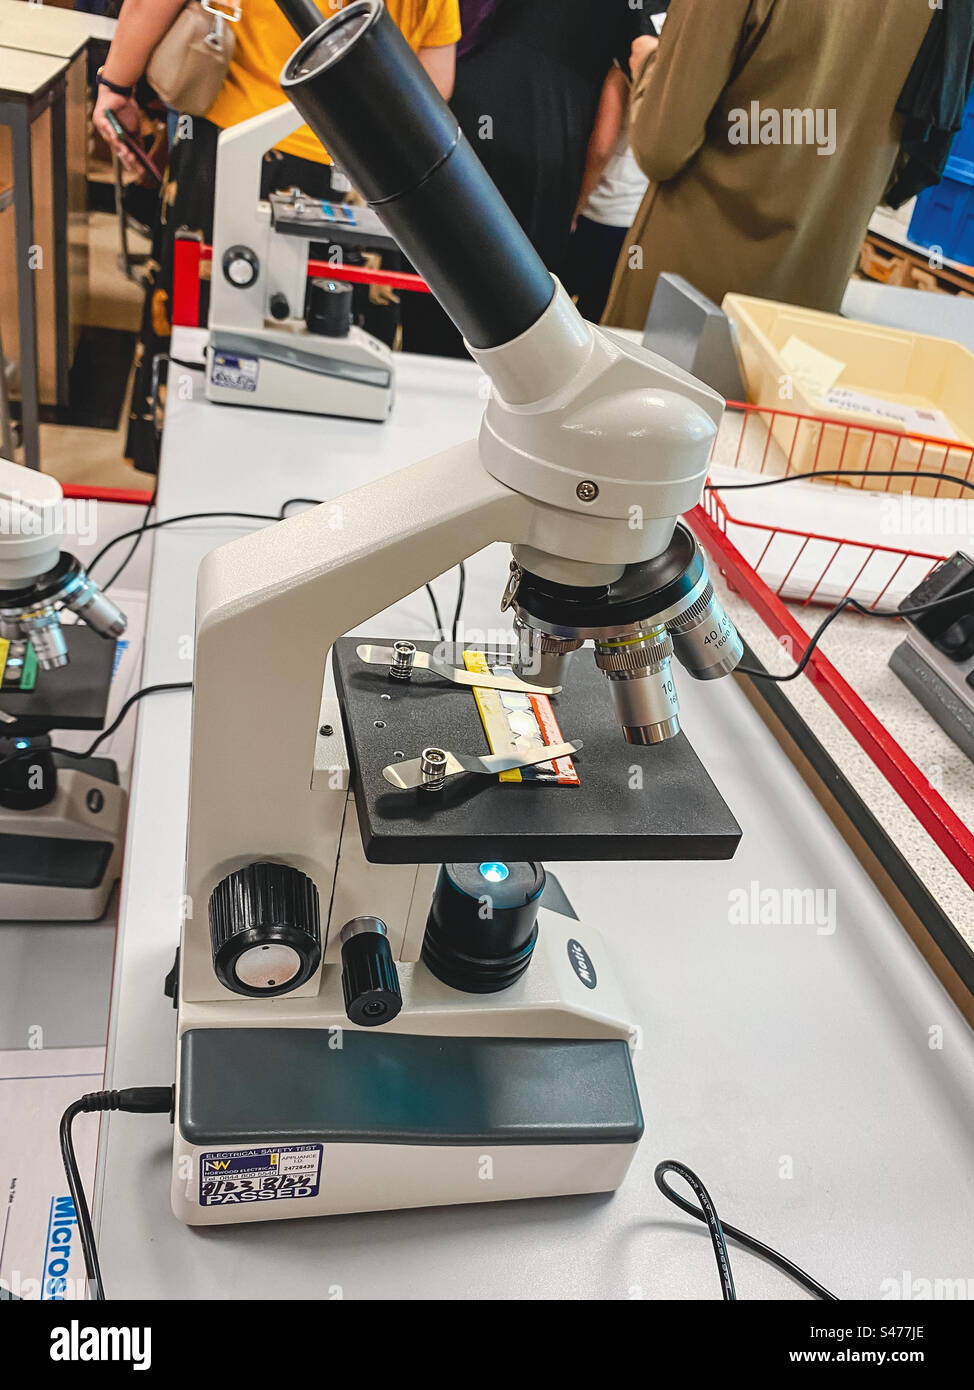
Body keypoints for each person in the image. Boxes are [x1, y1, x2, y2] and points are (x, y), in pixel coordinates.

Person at [92, 0, 460, 470]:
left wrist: (114, 84)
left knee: (205, 342)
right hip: (357, 175)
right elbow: (434, 83)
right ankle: (315, 505)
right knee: (337, 359)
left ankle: (192, 489)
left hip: (235, 152)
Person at [603, 0, 940, 331]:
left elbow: (661, 148)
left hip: (690, 296)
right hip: (808, 306)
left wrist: (650, 63)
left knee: (654, 385)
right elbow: (908, 172)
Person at [401, 0, 640, 357]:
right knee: (516, 336)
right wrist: (577, 203)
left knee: (432, 293)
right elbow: (606, 138)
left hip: (456, 118)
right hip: (551, 143)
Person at [561, 7, 663, 323]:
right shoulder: (690, 39)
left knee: (557, 323)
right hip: (641, 219)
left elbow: (603, 146)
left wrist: (576, 205)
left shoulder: (634, 39)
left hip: (600, 210)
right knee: (602, 327)